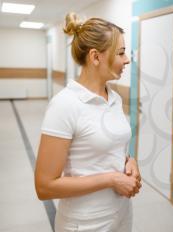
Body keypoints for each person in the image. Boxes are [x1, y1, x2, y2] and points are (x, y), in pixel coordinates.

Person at [35, 12, 141, 232]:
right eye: (121, 53)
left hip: (121, 213)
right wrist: (112, 179)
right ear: (95, 57)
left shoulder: (113, 97)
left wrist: (130, 162)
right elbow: (44, 186)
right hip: (85, 223)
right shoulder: (64, 105)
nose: (127, 59)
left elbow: (111, 147)